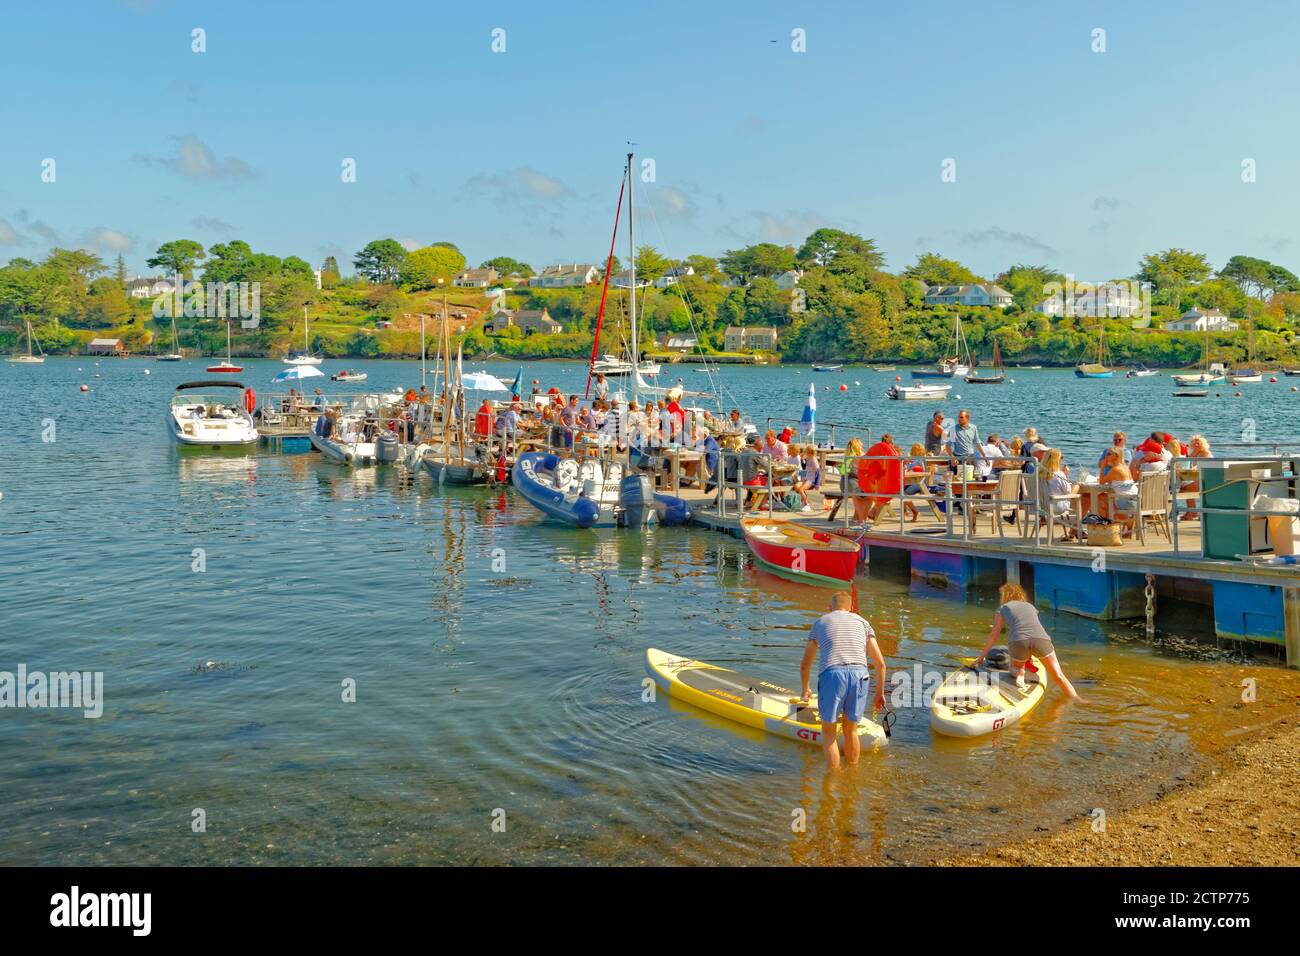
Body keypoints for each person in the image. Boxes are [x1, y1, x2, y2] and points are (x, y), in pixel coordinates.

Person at [799, 592, 889, 770]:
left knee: (829, 732)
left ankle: (833, 782)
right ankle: (852, 779)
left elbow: (805, 664)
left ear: (829, 608)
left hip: (832, 674)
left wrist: (805, 690)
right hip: (860, 675)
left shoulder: (821, 622)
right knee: (851, 730)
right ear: (852, 608)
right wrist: (879, 694)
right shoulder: (864, 623)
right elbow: (880, 664)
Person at [974, 583, 1079, 699]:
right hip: (1041, 641)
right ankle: (1077, 700)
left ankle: (1020, 672)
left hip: (1019, 643)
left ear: (1005, 596)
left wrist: (980, 659)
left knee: (1015, 667)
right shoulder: (1030, 607)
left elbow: (993, 636)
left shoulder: (1002, 609)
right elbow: (1033, 627)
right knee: (1059, 676)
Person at [791, 445, 822, 512]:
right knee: (796, 487)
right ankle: (804, 502)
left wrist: (817, 484)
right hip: (805, 478)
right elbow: (804, 469)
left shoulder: (814, 460)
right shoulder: (807, 459)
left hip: (811, 479)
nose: (804, 453)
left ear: (810, 453)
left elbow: (819, 472)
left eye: (806, 452)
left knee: (801, 489)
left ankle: (807, 505)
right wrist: (801, 478)